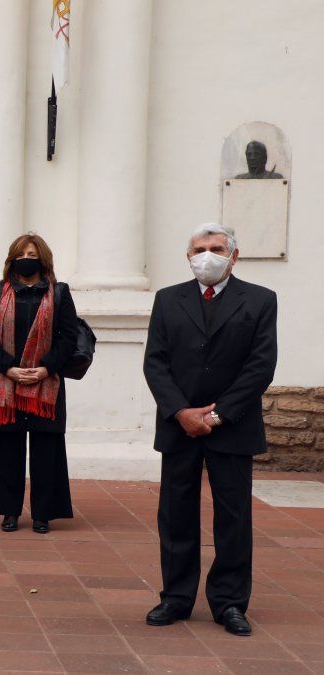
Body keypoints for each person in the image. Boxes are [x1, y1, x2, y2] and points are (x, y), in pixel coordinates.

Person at [142, 223, 277, 637]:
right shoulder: (168, 299)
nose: (207, 255)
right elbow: (155, 362)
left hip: (232, 426)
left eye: (216, 248)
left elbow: (260, 366)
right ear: (188, 257)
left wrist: (218, 416)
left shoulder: (260, 300)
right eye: (199, 249)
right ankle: (175, 597)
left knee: (233, 517)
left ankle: (230, 601)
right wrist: (181, 412)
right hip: (179, 426)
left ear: (233, 255)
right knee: (176, 514)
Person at [0, 233, 78, 535]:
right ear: (12, 260)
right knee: (7, 450)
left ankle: (42, 514)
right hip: (7, 384)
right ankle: (10, 512)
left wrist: (45, 368)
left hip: (45, 384)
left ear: (43, 259)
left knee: (46, 452)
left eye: (32, 255)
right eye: (21, 255)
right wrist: (9, 368)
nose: (26, 260)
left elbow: (68, 337)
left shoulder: (59, 293)